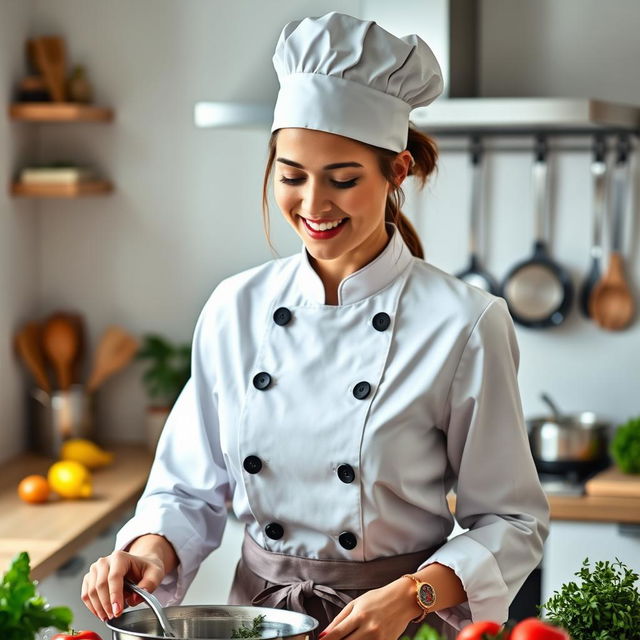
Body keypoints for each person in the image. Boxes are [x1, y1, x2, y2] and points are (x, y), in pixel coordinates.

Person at [81, 11, 549, 640]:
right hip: (256, 621)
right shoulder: (234, 308)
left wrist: (412, 597)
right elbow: (187, 491)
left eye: (344, 179)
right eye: (292, 175)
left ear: (397, 173)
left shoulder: (464, 324)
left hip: (397, 626)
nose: (313, 205)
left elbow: (514, 522)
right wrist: (150, 551)